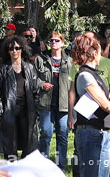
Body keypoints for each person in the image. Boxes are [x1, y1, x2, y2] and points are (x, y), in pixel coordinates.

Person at [69, 33, 110, 177]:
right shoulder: (85, 75)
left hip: (101, 132)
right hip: (90, 134)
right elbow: (107, 106)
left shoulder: (94, 75)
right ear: (94, 52)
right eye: (100, 51)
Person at [0, 36, 40, 160]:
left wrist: (36, 110)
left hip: (27, 109)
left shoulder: (30, 68)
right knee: (10, 146)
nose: (14, 51)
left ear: (22, 49)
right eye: (11, 49)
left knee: (28, 145)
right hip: (9, 109)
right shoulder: (2, 68)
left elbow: (36, 91)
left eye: (17, 48)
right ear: (7, 51)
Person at [34, 31, 72, 170]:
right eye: (51, 41)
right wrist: (41, 84)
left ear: (62, 43)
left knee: (62, 135)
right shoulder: (41, 59)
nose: (54, 43)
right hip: (46, 104)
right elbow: (33, 78)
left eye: (57, 40)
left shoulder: (69, 61)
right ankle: (43, 167)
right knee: (45, 134)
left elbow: (73, 83)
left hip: (63, 105)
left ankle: (59, 167)